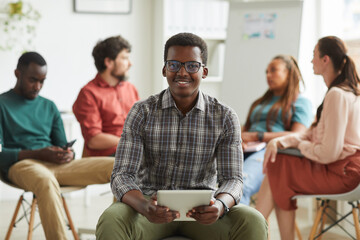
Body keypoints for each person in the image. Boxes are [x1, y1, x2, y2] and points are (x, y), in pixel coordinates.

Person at [95, 33, 268, 240]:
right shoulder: (142, 112)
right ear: (164, 69)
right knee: (112, 218)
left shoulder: (224, 116)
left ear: (204, 71)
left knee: (253, 220)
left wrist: (221, 205)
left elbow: (233, 179)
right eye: (174, 65)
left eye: (192, 66)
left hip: (202, 213)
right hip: (150, 210)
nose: (182, 72)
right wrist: (144, 205)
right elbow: (122, 175)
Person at [0, 52, 115, 240]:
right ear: (17, 74)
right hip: (23, 166)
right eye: (32, 80)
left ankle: (116, 235)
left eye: (42, 81)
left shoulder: (49, 106)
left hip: (58, 165)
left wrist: (68, 154)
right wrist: (38, 154)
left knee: (119, 166)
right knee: (45, 180)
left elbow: (63, 145)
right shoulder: (2, 104)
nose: (38, 86)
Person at [256, 36, 360, 240]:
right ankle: (260, 231)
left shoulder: (337, 95)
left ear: (325, 60)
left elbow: (329, 152)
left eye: (314, 55)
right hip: (345, 169)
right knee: (280, 168)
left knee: (278, 167)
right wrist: (281, 141)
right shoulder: (346, 91)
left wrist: (302, 146)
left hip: (344, 173)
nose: (311, 61)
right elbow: (312, 133)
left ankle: (254, 231)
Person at [240, 55, 312, 205]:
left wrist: (257, 136)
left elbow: (298, 135)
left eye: (273, 70)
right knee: (212, 184)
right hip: (244, 149)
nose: (268, 75)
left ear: (289, 73)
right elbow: (246, 129)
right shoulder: (259, 102)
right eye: (266, 71)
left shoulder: (301, 103)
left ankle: (236, 228)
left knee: (241, 186)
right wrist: (238, 138)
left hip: (270, 152)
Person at [73, 35, 139, 157]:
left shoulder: (130, 89)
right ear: (108, 62)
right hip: (108, 156)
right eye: (124, 58)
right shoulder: (88, 93)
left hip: (133, 152)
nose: (130, 64)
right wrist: (129, 142)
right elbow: (94, 140)